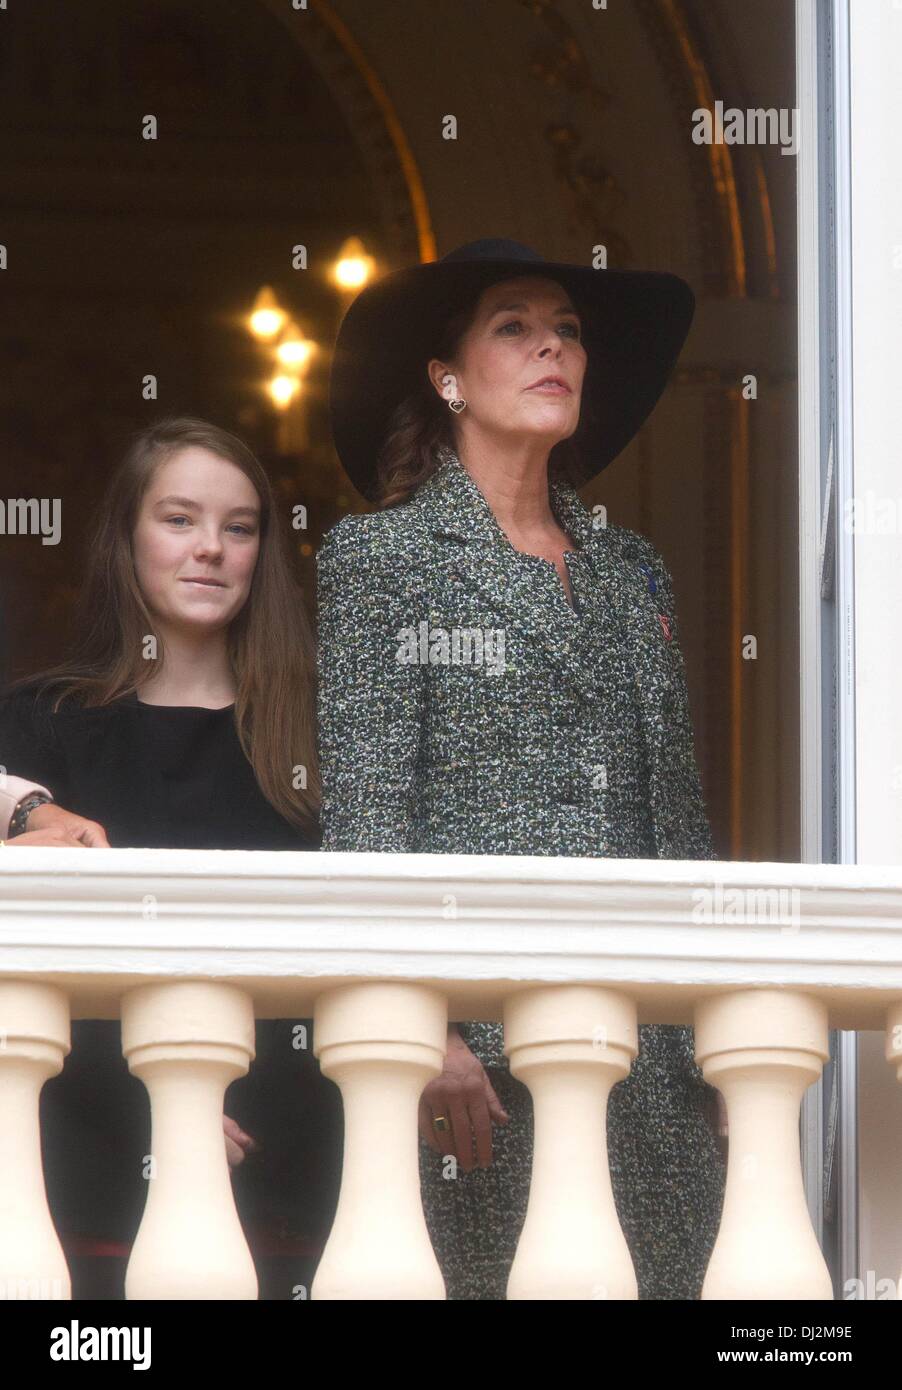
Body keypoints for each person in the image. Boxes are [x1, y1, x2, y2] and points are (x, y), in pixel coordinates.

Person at [317, 237, 727, 1299]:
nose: (553, 345)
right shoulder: (380, 563)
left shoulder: (632, 568)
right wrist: (423, 1026)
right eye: (513, 325)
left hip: (648, 1060)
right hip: (480, 1075)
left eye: (568, 331)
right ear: (445, 378)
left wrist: (714, 1034)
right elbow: (367, 818)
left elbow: (675, 819)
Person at [0, 416, 341, 1298]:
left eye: (240, 526)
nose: (212, 550)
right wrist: (25, 806)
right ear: (128, 537)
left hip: (295, 1164)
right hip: (93, 1165)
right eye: (179, 519)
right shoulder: (46, 721)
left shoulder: (319, 730)